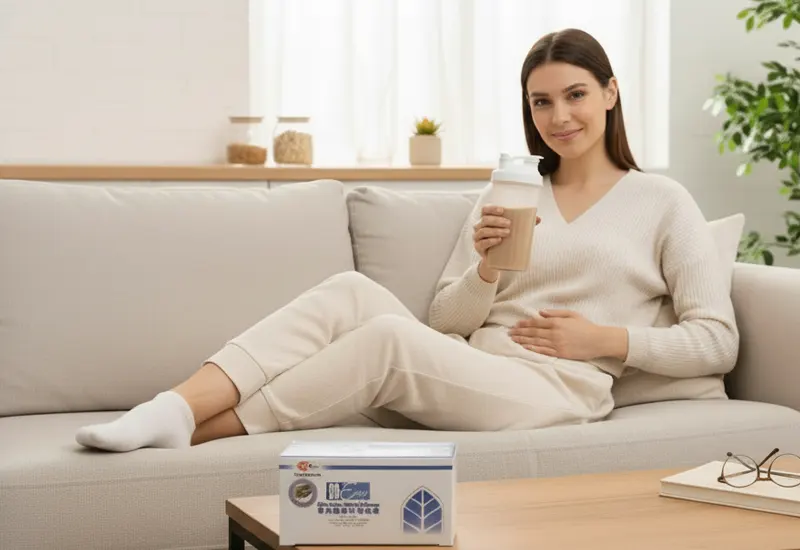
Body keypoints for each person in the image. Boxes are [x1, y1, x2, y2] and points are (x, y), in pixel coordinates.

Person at [75, 28, 739, 453]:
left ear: (611, 93)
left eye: (575, 95)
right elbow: (444, 321)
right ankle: (171, 407)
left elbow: (718, 339)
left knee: (385, 342)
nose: (559, 116)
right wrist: (484, 270)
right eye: (541, 102)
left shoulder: (662, 200)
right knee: (350, 292)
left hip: (557, 392)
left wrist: (606, 341)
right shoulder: (510, 191)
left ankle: (191, 433)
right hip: (465, 368)